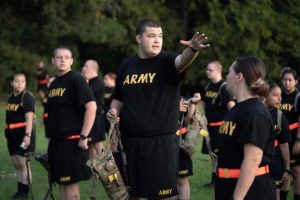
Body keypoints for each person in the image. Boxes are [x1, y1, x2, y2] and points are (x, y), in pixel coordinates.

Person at [107, 18, 209, 199]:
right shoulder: (127, 66)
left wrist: (192, 49)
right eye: (151, 36)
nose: (157, 40)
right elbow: (119, 98)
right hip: (130, 143)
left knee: (161, 196)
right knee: (131, 194)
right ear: (139, 38)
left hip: (161, 144)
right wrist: (113, 111)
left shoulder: (166, 62)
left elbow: (182, 61)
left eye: (160, 36)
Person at [215, 56, 276, 200]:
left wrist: (237, 198)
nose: (226, 76)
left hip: (251, 192)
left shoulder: (254, 112)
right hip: (229, 186)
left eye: (229, 72)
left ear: (239, 76)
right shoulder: (238, 109)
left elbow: (253, 158)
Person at [46, 47, 97, 200]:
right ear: (53, 60)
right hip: (56, 143)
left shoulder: (75, 80)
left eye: (66, 57)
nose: (62, 60)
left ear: (72, 61)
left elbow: (91, 106)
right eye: (59, 57)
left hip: (72, 142)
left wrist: (83, 136)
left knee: (71, 187)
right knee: (62, 185)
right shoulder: (54, 84)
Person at [202, 61, 235, 187]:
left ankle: (221, 180)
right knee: (213, 156)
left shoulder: (224, 87)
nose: (207, 72)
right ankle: (214, 181)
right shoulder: (208, 86)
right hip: (209, 127)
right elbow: (205, 104)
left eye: (210, 70)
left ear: (218, 71)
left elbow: (232, 108)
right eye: (207, 69)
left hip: (220, 127)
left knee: (220, 155)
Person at [5, 73, 36, 199]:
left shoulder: (26, 96)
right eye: (16, 81)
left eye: (22, 81)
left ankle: (25, 192)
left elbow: (29, 118)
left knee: (24, 165)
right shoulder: (11, 97)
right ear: (11, 83)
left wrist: (27, 135)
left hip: (23, 135)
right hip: (11, 136)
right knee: (17, 164)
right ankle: (19, 191)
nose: (19, 83)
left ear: (25, 83)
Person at [265, 81, 291, 200]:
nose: (280, 98)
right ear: (265, 94)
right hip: (255, 162)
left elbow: (284, 145)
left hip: (275, 161)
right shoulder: (254, 113)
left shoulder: (280, 117)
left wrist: (287, 168)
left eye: (280, 95)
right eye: (275, 95)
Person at [280, 68, 300, 200]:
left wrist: (298, 141)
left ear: (296, 82)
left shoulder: (298, 97)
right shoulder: (279, 95)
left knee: (297, 172)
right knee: (284, 171)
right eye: (285, 80)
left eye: (290, 80)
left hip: (295, 138)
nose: (287, 83)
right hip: (282, 140)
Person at [177, 93, 201, 200]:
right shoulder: (158, 96)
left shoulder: (182, 98)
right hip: (162, 144)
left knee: (182, 180)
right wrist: (173, 108)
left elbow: (187, 122)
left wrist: (193, 104)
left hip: (180, 145)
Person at [82, 59, 106, 158]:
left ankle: (106, 166)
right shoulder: (89, 82)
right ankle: (94, 169)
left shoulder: (98, 82)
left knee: (97, 143)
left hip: (96, 118)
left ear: (93, 68)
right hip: (90, 117)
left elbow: (87, 96)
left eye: (86, 66)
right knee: (90, 144)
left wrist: (85, 82)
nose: (83, 68)